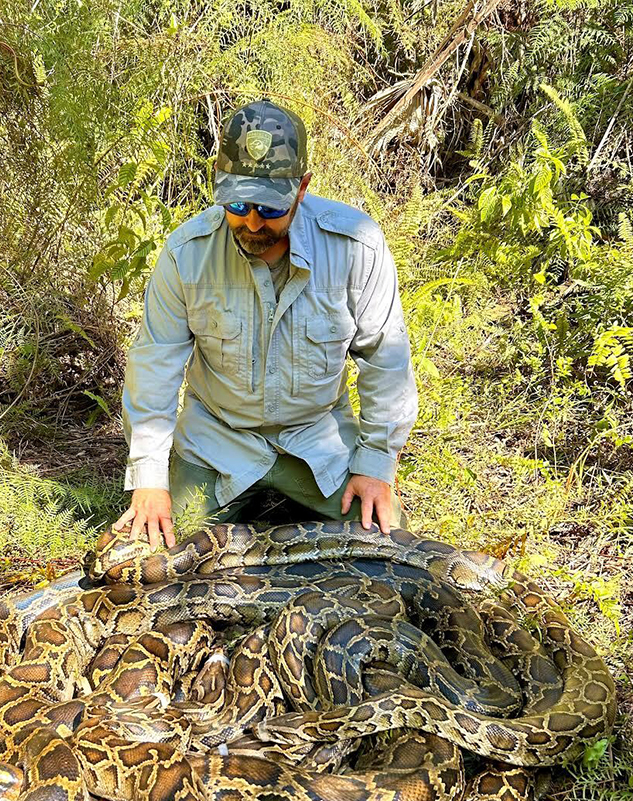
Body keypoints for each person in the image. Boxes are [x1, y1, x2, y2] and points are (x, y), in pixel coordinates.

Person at [113, 100, 417, 548]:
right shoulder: (186, 255)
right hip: (218, 440)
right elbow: (154, 367)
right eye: (237, 204)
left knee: (387, 548)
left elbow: (385, 361)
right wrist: (150, 478)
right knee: (160, 555)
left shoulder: (357, 247)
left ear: (301, 188)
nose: (252, 221)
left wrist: (374, 465)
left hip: (317, 441)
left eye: (271, 208)